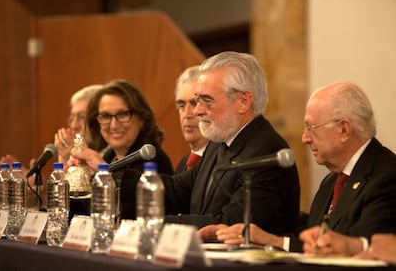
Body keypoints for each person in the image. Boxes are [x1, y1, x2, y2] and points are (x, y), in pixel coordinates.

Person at [209, 81, 396, 252]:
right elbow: (313, 236)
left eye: (311, 128)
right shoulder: (331, 181)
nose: (304, 138)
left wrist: (274, 241)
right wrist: (262, 236)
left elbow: (358, 247)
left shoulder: (387, 177)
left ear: (344, 130)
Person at [151, 51, 300, 235]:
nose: (197, 111)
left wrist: (153, 222)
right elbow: (177, 191)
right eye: (198, 100)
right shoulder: (219, 142)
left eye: (206, 101)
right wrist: (116, 182)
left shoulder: (266, 151)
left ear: (243, 102)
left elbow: (229, 224)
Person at [69, 79, 174, 220]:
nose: (113, 125)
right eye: (105, 116)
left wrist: (105, 172)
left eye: (122, 114)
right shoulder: (109, 155)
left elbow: (129, 216)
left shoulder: (151, 158)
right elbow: (86, 216)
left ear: (142, 118)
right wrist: (79, 179)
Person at [0, 84, 103, 209]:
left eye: (81, 117)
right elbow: (63, 213)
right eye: (72, 118)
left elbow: (92, 209)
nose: (74, 125)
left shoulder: (108, 156)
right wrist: (39, 191)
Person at [174, 65, 209, 173]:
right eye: (181, 105)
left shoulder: (221, 162)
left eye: (194, 103)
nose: (187, 114)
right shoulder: (182, 165)